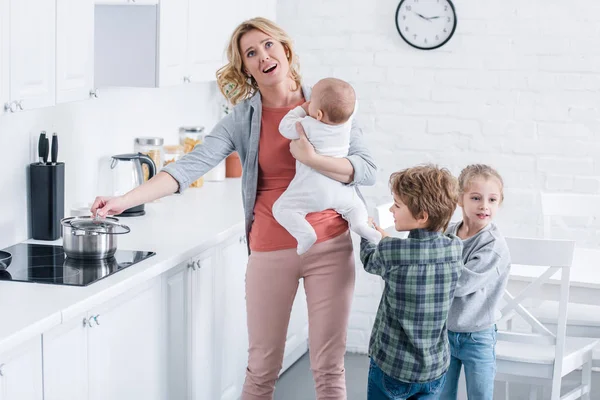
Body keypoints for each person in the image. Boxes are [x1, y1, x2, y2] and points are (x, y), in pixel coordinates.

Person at [90, 17, 377, 400]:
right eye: (251, 53)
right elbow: (189, 166)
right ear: (245, 67)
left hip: (330, 246)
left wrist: (311, 157)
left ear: (286, 50)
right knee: (261, 371)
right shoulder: (242, 119)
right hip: (271, 249)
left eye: (268, 45)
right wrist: (124, 199)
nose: (263, 56)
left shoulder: (326, 103)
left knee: (329, 369)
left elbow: (367, 169)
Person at [360, 164, 463, 400]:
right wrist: (388, 243)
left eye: (397, 205)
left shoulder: (392, 251)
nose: (392, 210)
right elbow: (415, 252)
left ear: (422, 216)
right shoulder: (455, 248)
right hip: (434, 370)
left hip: (394, 367)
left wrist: (369, 234)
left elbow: (370, 259)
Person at [273, 77, 381, 255]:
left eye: (311, 102)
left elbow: (284, 127)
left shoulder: (308, 125)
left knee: (281, 208)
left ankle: (306, 234)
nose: (309, 103)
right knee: (356, 207)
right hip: (342, 191)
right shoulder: (346, 124)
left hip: (313, 190)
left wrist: (301, 109)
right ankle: (361, 226)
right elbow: (351, 105)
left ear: (319, 114)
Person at [439, 164, 511, 400]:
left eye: (492, 200)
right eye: (476, 198)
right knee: (441, 394)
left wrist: (434, 272)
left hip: (478, 335)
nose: (484, 206)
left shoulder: (493, 245)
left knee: (479, 395)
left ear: (499, 203)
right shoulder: (447, 233)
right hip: (445, 332)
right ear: (460, 199)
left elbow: (461, 285)